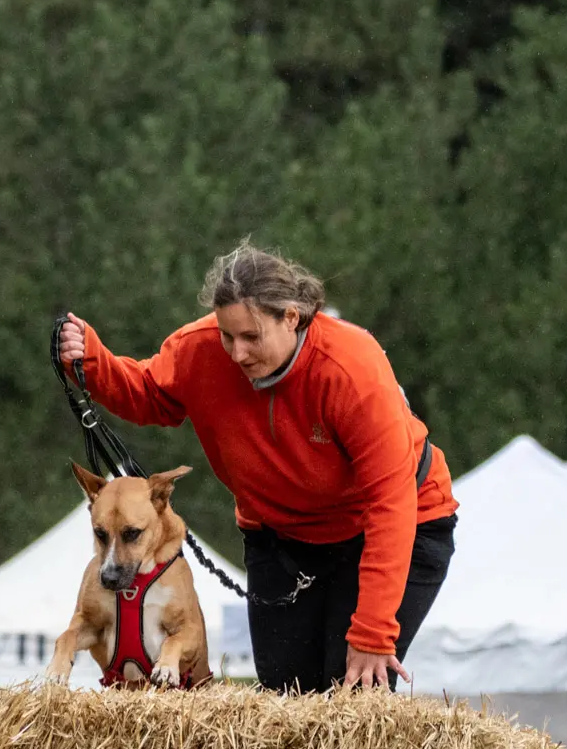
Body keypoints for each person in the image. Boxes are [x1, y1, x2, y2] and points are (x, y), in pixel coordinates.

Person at [57, 241, 458, 691]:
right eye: (227, 335)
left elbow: (391, 503)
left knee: (348, 691)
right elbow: (151, 393)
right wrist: (89, 361)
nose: (237, 353)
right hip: (281, 537)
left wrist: (373, 632)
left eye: (251, 337)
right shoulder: (199, 348)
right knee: (285, 693)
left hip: (394, 525)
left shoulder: (351, 367)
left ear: (292, 316)